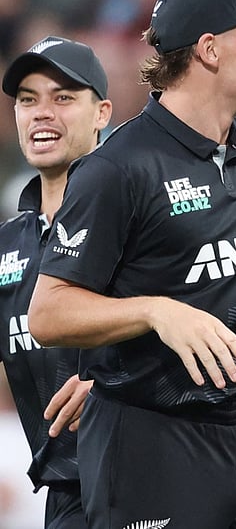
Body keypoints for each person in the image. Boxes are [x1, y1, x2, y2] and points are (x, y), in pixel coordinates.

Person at [27, 0, 236, 529]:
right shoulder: (117, 169)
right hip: (147, 446)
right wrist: (155, 311)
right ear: (211, 50)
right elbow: (48, 313)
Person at [0, 36, 112, 528]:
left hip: (150, 481)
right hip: (64, 495)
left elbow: (218, 323)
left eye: (62, 97)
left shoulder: (140, 221)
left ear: (102, 113)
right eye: (28, 99)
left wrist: (116, 384)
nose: (41, 112)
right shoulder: (8, 244)